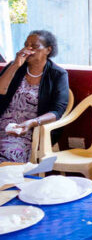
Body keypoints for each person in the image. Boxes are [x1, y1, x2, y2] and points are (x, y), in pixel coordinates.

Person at [0, 30, 69, 162]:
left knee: (7, 152)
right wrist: (15, 65)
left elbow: (57, 111)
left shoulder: (58, 74)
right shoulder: (16, 67)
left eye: (35, 46)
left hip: (28, 130)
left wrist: (32, 123)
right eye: (26, 45)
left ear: (48, 50)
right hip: (2, 123)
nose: (28, 49)